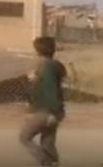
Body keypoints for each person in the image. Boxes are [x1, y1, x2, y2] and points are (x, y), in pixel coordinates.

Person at [19, 36, 67, 167]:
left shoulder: (45, 66)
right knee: (48, 142)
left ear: (37, 51)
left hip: (45, 110)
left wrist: (51, 112)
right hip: (57, 110)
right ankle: (53, 162)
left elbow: (50, 89)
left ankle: (47, 161)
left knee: (25, 138)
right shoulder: (55, 65)